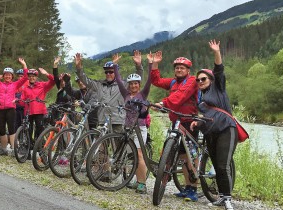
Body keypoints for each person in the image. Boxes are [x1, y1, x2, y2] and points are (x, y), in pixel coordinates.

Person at [190, 39, 237, 210]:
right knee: (217, 165)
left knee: (223, 165)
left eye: (203, 79)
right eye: (198, 80)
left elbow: (219, 69)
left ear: (211, 79)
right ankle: (222, 197)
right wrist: (197, 121)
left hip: (226, 129)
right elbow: (205, 117)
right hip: (211, 133)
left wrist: (216, 52)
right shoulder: (201, 101)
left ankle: (228, 200)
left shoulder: (218, 88)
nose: (200, 81)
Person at [150, 52, 199, 201]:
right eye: (177, 67)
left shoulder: (191, 81)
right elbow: (156, 81)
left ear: (188, 70)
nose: (178, 70)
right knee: (183, 157)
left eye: (182, 68)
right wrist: (155, 64)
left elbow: (180, 97)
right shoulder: (173, 83)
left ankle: (194, 189)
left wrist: (163, 103)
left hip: (189, 122)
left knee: (191, 155)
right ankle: (187, 187)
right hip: (176, 121)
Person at [112, 52, 152, 194]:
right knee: (132, 156)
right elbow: (117, 79)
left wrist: (150, 64)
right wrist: (115, 65)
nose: (134, 85)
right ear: (128, 85)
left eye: (136, 83)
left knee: (139, 155)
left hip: (140, 128)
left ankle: (142, 184)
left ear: (139, 85)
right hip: (128, 127)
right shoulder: (126, 94)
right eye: (131, 84)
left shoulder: (143, 94)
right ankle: (136, 180)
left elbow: (149, 80)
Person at [75, 51, 143, 133]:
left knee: (118, 145)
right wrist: (79, 68)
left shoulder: (123, 85)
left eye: (111, 72)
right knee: (98, 145)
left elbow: (137, 79)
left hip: (117, 121)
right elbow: (85, 80)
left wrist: (138, 65)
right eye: (106, 72)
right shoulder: (99, 85)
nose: (108, 74)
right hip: (102, 121)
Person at [0, 55, 28, 155]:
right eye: (6, 74)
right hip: (0, 109)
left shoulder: (15, 84)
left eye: (9, 75)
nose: (7, 76)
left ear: (12, 76)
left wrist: (24, 64)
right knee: (2, 129)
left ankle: (15, 149)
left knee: (11, 129)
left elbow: (25, 77)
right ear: (3, 76)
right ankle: (3, 149)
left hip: (11, 109)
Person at [19, 66, 54, 153]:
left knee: (40, 130)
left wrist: (46, 74)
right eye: (30, 76)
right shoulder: (25, 87)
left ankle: (40, 148)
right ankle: (28, 150)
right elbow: (22, 100)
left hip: (39, 111)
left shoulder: (42, 85)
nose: (32, 78)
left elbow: (53, 81)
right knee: (29, 131)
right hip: (28, 111)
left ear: (36, 77)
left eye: (33, 76)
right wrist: (18, 101)